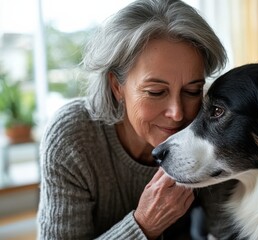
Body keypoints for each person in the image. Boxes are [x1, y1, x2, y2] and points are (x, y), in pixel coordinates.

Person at [36, 0, 227, 239]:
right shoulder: (72, 137)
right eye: (156, 92)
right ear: (117, 86)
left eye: (192, 91)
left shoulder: (208, 127)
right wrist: (144, 224)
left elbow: (230, 229)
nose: (178, 113)